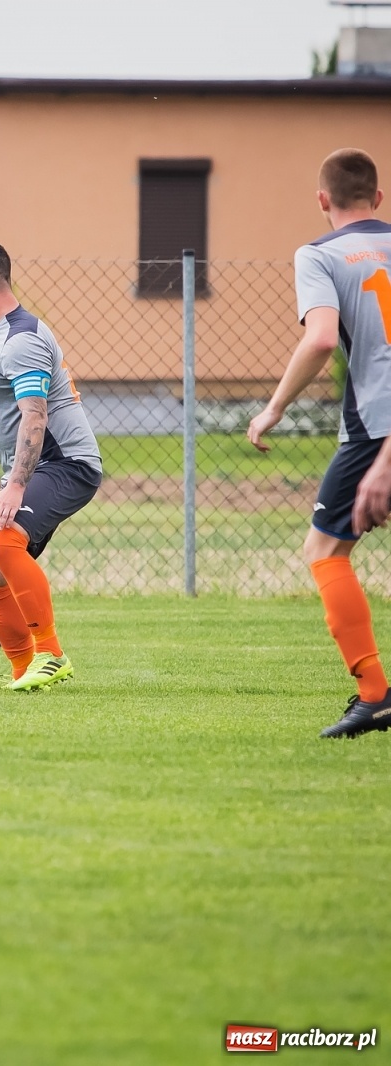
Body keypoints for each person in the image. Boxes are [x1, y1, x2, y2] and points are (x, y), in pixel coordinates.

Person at [249, 148, 391, 740]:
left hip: (375, 423)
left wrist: (274, 407)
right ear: (379, 199)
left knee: (325, 551)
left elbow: (322, 339)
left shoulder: (320, 254)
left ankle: (375, 695)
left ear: (322, 200)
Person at [0, 240, 103, 691]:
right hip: (41, 466)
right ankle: (23, 670)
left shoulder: (22, 338)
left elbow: (35, 413)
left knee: (2, 534)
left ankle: (50, 654)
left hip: (66, 463)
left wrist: (15, 485)